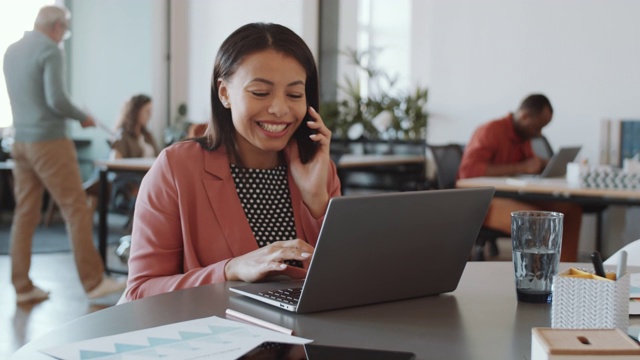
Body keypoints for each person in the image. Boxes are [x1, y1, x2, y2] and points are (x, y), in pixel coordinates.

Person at [124, 23, 341, 301]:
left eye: (295, 95)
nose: (279, 109)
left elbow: (341, 281)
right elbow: (140, 292)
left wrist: (318, 204)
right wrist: (229, 270)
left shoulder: (319, 169)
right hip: (216, 337)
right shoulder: (177, 168)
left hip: (306, 340)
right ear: (224, 93)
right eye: (260, 93)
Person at [3, 5, 126, 303]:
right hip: (49, 142)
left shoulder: (11, 50)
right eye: (64, 31)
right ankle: (94, 282)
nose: (63, 38)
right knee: (76, 208)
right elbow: (56, 98)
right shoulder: (49, 50)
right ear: (57, 26)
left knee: (25, 213)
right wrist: (82, 115)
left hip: (20, 142)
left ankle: (22, 287)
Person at [458, 94, 582, 262]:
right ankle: (537, 280)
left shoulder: (523, 136)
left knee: (569, 210)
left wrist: (542, 165)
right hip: (482, 201)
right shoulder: (490, 131)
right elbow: (468, 171)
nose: (539, 133)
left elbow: (527, 165)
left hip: (514, 195)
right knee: (537, 220)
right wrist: (522, 167)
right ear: (524, 116)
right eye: (538, 127)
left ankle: (566, 270)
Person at [109, 94, 159, 160]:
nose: (150, 116)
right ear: (136, 112)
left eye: (150, 111)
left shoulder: (147, 135)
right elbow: (115, 162)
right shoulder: (122, 136)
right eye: (147, 111)